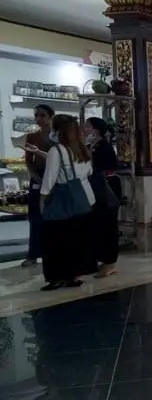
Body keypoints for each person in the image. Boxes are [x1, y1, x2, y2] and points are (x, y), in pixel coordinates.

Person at [39, 115, 97, 290]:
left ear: (58, 130)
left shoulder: (56, 151)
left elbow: (49, 180)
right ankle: (73, 275)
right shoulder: (82, 149)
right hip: (84, 200)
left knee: (55, 241)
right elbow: (89, 172)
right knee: (76, 240)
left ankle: (56, 277)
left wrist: (42, 201)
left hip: (63, 201)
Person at [84, 117, 121, 278]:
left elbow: (95, 165)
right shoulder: (93, 146)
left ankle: (110, 262)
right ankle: (101, 258)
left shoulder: (104, 146)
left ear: (96, 130)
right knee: (97, 224)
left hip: (107, 186)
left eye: (87, 126)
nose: (84, 128)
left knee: (108, 224)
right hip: (96, 185)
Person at [20, 104, 54, 267]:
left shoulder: (58, 136)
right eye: (36, 116)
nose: (39, 119)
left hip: (55, 176)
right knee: (35, 217)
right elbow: (28, 160)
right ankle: (33, 254)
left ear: (50, 117)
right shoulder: (32, 137)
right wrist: (35, 177)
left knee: (54, 216)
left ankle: (53, 253)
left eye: (42, 115)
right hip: (38, 176)